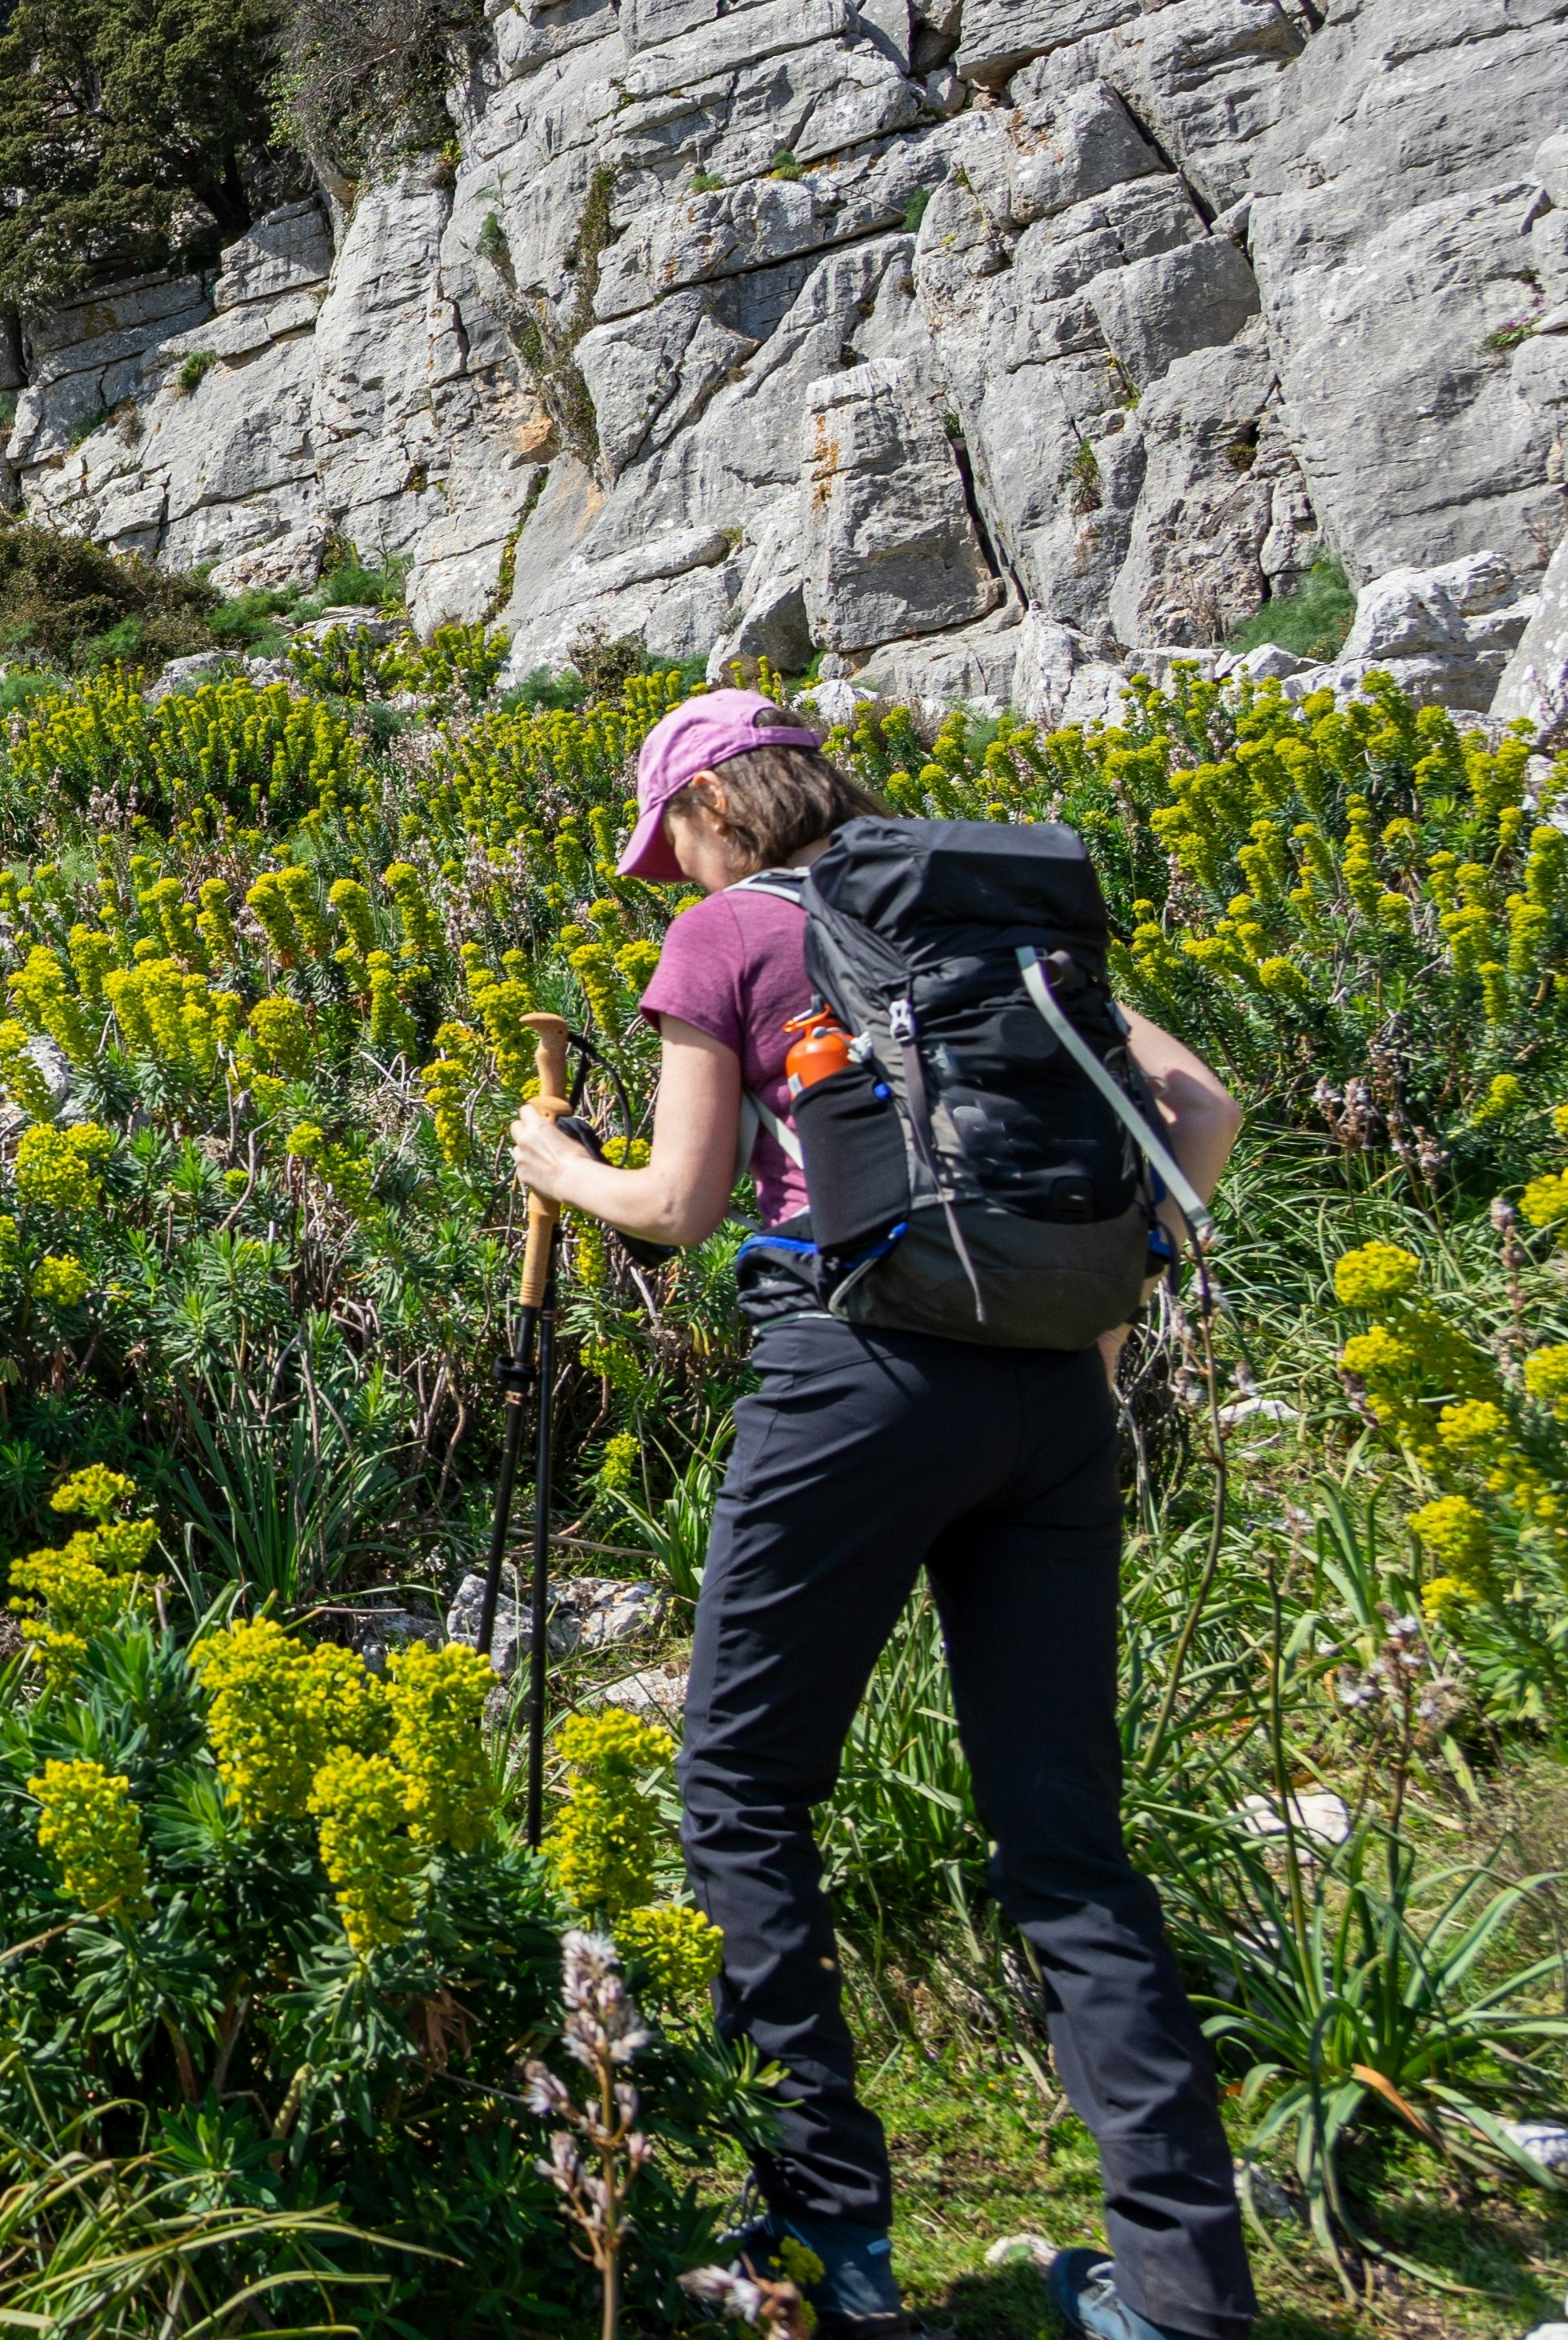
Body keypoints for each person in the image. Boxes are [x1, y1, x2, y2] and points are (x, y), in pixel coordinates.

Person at [513, 690, 1250, 2340]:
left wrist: (553, 1163)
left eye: (666, 843)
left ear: (709, 807)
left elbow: (678, 1206)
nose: (666, 877)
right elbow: (1201, 1112)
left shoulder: (730, 929)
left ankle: (823, 2239)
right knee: (1068, 1839)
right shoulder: (986, 910)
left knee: (747, 1787)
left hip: (852, 1382)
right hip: (1052, 1394)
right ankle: (1188, 2293)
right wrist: (1092, 1295)